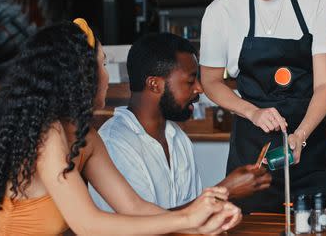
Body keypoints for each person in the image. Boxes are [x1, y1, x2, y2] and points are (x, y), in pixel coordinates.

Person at [0, 19, 241, 235]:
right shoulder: (48, 134)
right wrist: (186, 218)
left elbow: (133, 207)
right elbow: (89, 226)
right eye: (103, 64)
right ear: (81, 75)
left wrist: (198, 223)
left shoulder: (87, 138)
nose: (107, 76)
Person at [199, 0, 326, 212]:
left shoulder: (318, 0)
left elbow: (325, 84)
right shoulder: (221, 11)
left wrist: (301, 134)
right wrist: (251, 112)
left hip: (310, 147)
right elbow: (209, 81)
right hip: (253, 159)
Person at [89, 33, 271, 211]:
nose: (200, 88)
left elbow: (192, 219)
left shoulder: (177, 138)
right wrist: (225, 191)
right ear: (154, 84)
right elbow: (143, 227)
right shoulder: (115, 144)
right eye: (190, 81)